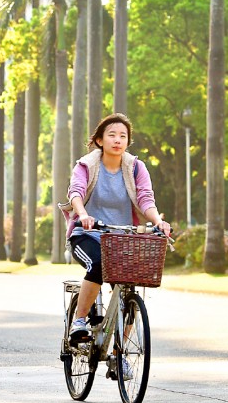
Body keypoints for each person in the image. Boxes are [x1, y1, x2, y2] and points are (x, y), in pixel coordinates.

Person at [58, 113, 172, 346]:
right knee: (98, 265)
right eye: (111, 135)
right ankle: (79, 320)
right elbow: (76, 192)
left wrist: (158, 221)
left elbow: (145, 198)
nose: (117, 140)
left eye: (123, 136)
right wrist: (83, 215)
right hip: (86, 234)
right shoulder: (86, 165)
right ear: (100, 140)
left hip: (122, 238)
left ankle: (122, 352)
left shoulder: (136, 168)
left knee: (130, 288)